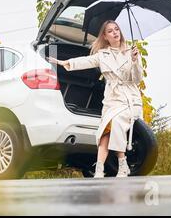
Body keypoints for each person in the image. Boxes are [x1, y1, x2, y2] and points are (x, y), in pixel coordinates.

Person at [47, 20, 144, 178]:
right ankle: (99, 169)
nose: (115, 32)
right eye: (110, 31)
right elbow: (85, 61)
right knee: (104, 133)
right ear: (105, 36)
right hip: (111, 100)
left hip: (129, 99)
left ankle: (123, 163)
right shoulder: (102, 55)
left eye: (117, 29)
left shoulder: (131, 52)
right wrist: (65, 62)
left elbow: (137, 78)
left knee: (116, 122)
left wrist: (134, 61)